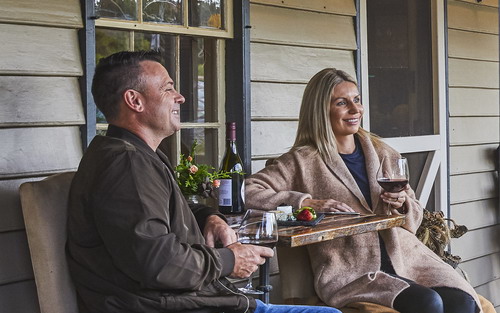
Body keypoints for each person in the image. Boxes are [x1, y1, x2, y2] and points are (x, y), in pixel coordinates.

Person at [66, 51, 342, 313]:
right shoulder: (125, 164)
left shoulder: (134, 156)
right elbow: (159, 263)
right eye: (167, 88)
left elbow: (162, 213)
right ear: (134, 101)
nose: (181, 97)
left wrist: (209, 216)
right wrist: (231, 260)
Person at [245, 68, 482, 313]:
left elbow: (414, 214)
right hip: (351, 269)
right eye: (341, 102)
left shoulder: (384, 153)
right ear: (321, 110)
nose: (355, 109)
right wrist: (306, 202)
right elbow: (249, 192)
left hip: (407, 257)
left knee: (462, 301)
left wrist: (403, 203)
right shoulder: (301, 162)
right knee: (428, 303)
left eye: (356, 100)